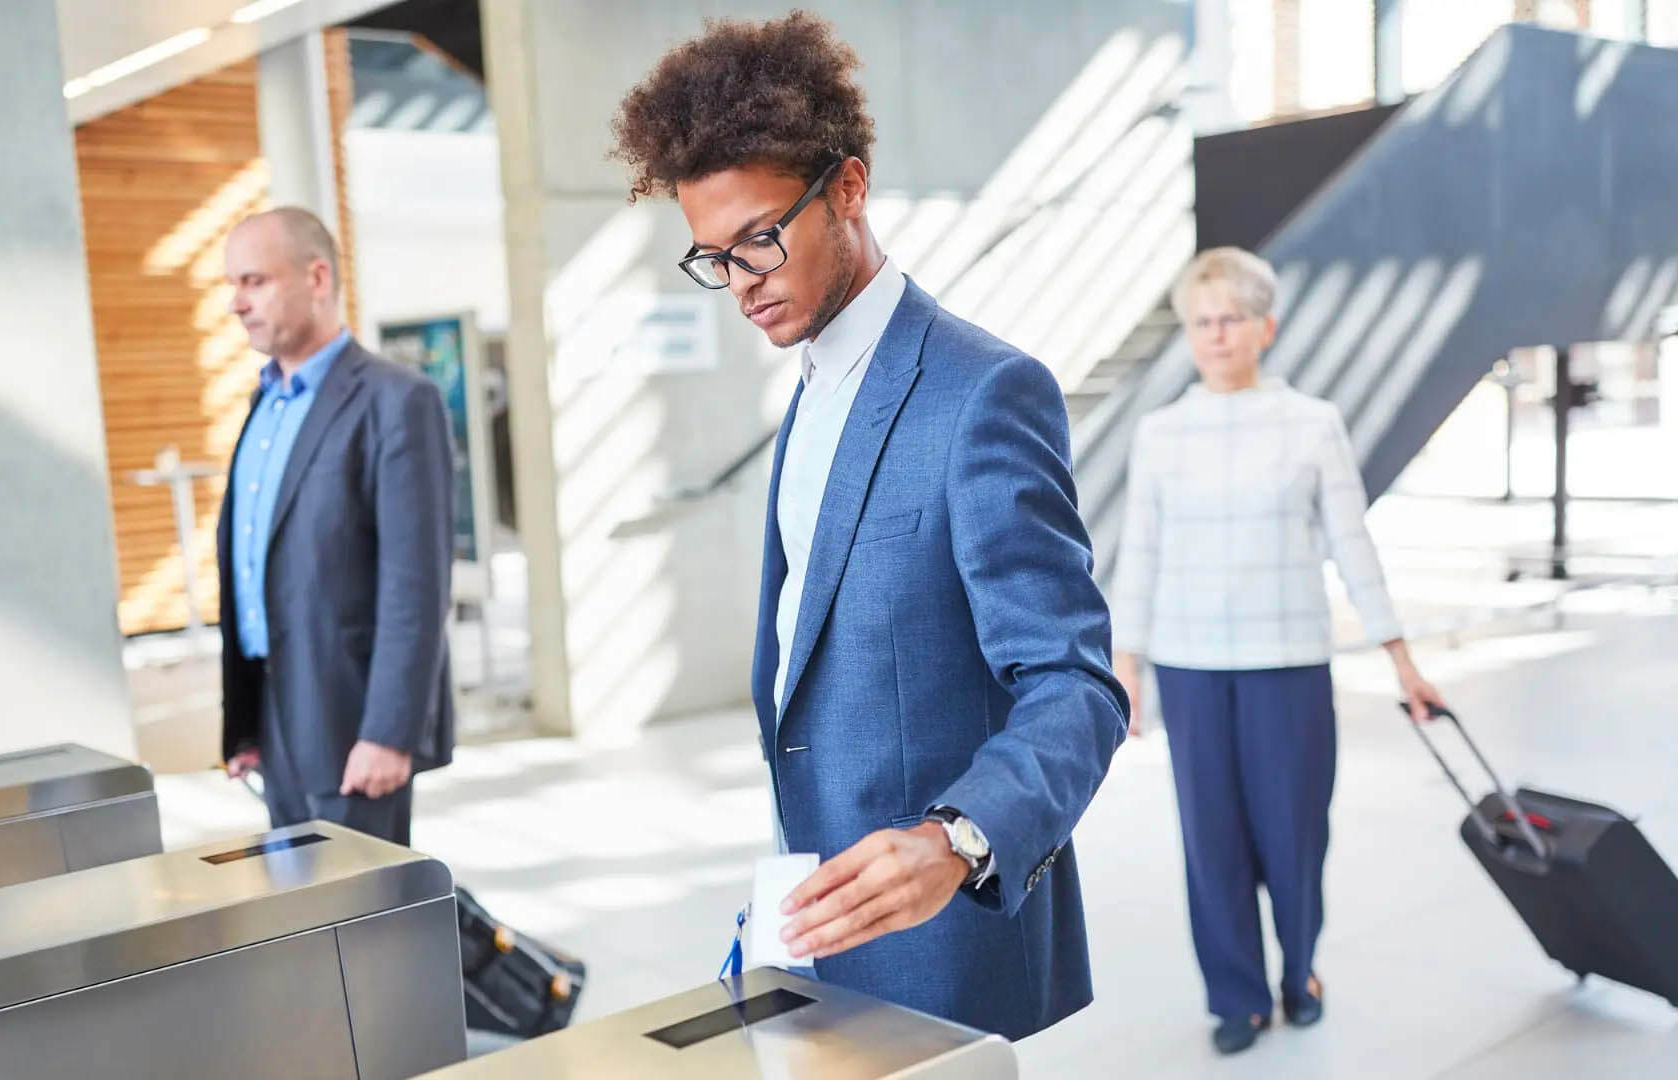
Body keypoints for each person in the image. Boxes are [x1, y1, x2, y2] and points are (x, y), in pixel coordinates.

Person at [611, 13, 1129, 1040]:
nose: (742, 281)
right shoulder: (812, 391)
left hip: (944, 932)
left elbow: (1076, 682)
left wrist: (959, 839)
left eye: (760, 237)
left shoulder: (983, 395)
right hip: (818, 921)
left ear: (847, 188)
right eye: (714, 258)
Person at [1109, 246, 1448, 1055]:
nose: (1216, 335)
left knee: (1294, 834)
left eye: (1231, 319)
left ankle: (1301, 972)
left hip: (1288, 664)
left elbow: (1351, 543)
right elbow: (1140, 554)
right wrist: (1127, 667)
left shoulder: (1313, 423)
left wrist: (1400, 656)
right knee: (1212, 839)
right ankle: (1237, 996)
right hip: (1191, 670)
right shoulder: (1160, 433)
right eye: (1201, 322)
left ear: (1266, 327)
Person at [217, 207, 456, 846]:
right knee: (301, 914)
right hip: (273, 712)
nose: (237, 303)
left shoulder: (397, 402)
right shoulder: (262, 405)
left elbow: (417, 585)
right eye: (232, 286)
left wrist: (389, 732)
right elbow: (254, 564)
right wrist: (245, 724)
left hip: (351, 715)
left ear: (317, 278)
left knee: (363, 927)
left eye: (254, 282)